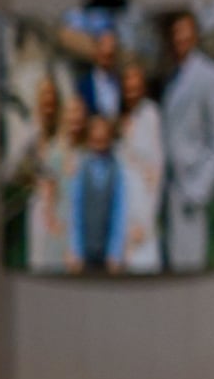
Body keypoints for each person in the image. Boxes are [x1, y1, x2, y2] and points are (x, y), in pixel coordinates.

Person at [159, 10, 214, 274]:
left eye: (185, 31)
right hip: (170, 187)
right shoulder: (172, 78)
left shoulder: (210, 75)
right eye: (175, 32)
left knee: (190, 269)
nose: (180, 37)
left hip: (191, 189)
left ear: (195, 35)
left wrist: (199, 188)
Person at [112, 60, 165, 273]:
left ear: (143, 87)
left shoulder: (151, 115)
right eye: (127, 87)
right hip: (122, 204)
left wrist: (146, 220)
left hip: (143, 204)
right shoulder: (121, 119)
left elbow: (157, 169)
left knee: (144, 265)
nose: (131, 91)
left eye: (136, 86)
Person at [26, 78, 73, 273]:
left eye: (53, 101)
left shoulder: (62, 139)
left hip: (60, 208)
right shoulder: (30, 135)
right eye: (45, 100)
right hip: (38, 210)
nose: (49, 106)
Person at [72, 107, 122, 273]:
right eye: (96, 135)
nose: (100, 138)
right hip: (85, 250)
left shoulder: (116, 169)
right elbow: (76, 210)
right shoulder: (82, 168)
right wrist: (76, 251)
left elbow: (119, 212)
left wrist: (114, 252)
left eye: (104, 135)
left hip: (107, 253)